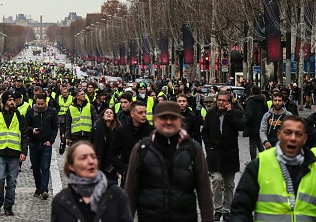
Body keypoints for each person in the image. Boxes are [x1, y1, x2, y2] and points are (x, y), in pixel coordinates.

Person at [124, 101, 213, 221]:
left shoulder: (193, 150)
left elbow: (204, 192)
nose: (169, 122)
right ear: (155, 120)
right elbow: (131, 191)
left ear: (180, 121)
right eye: (163, 118)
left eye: (173, 118)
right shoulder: (141, 149)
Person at [230, 115, 316, 221]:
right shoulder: (260, 164)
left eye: (298, 134)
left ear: (305, 138)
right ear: (279, 134)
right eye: (288, 132)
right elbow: (240, 210)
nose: (293, 138)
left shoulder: (314, 166)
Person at [51, 141, 132, 222]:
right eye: (83, 158)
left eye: (93, 157)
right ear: (71, 166)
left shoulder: (117, 195)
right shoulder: (61, 200)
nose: (90, 161)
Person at [201, 90, 245, 221]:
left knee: (229, 184)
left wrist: (230, 114)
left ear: (229, 102)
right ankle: (218, 209)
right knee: (216, 180)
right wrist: (209, 147)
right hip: (215, 153)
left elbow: (241, 126)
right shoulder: (211, 114)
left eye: (224, 100)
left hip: (230, 154)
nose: (221, 102)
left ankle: (227, 210)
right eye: (219, 100)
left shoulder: (236, 113)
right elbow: (205, 132)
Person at [0, 91, 28, 216]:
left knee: (12, 181)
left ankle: (8, 206)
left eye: (13, 100)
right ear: (4, 102)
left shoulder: (19, 115)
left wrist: (24, 151)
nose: (12, 102)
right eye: (9, 100)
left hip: (14, 153)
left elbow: (24, 134)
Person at [107, 101, 154, 187]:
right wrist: (123, 169)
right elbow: (112, 154)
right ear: (132, 114)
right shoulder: (122, 131)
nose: (144, 115)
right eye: (140, 113)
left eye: (145, 112)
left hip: (148, 176)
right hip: (128, 176)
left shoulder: (152, 131)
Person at [25, 93, 58, 199]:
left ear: (45, 102)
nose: (40, 106)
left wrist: (51, 141)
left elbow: (54, 127)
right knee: (35, 167)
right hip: (34, 143)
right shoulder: (30, 112)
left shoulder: (51, 112)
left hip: (46, 144)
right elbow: (26, 126)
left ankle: (44, 189)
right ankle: (38, 187)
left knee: (45, 167)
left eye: (42, 104)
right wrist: (32, 130)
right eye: (38, 104)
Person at [90, 108, 120, 182]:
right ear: (103, 116)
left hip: (111, 163)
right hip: (99, 161)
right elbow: (90, 142)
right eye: (107, 112)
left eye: (111, 113)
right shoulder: (96, 127)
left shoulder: (118, 130)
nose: (109, 114)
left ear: (114, 117)